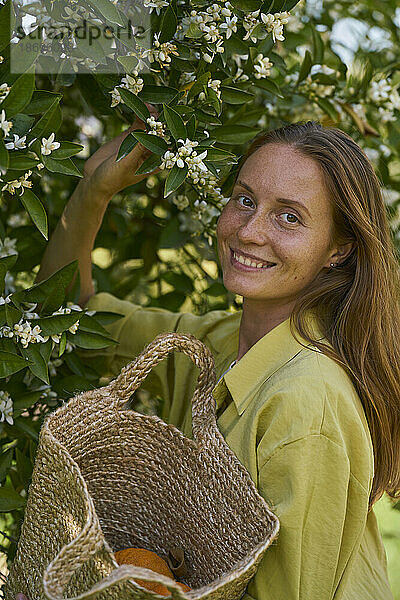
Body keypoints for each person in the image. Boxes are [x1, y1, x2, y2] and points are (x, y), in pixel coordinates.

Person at [17, 119, 400, 600]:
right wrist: (93, 192)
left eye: (289, 217)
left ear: (338, 249)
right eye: (244, 199)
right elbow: (68, 317)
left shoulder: (307, 400)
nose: (249, 231)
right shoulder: (216, 342)